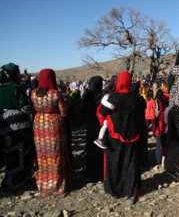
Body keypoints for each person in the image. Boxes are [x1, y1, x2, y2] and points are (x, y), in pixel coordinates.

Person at [100, 71, 146, 205]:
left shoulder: (113, 99)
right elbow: (142, 107)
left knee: (115, 161)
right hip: (132, 135)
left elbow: (103, 112)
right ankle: (131, 191)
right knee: (131, 162)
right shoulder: (137, 98)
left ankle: (115, 188)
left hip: (115, 136)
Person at [31, 69, 72, 197]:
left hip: (39, 124)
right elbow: (64, 112)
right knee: (56, 152)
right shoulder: (56, 94)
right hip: (54, 124)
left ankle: (43, 183)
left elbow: (32, 110)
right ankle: (57, 183)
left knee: (42, 153)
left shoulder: (33, 93)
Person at [0, 63, 35, 191]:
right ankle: (18, 180)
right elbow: (25, 107)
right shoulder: (15, 88)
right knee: (20, 152)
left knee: (8, 153)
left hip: (2, 125)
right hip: (18, 126)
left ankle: (8, 180)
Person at [82, 76, 104, 180]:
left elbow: (84, 108)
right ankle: (101, 170)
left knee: (91, 145)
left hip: (90, 122)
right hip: (100, 122)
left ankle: (90, 170)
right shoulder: (102, 94)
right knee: (100, 145)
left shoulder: (87, 94)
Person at [94, 77, 117, 149]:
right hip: (103, 113)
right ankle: (100, 138)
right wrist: (110, 106)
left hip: (105, 112)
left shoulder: (111, 92)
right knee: (105, 124)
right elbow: (103, 101)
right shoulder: (109, 93)